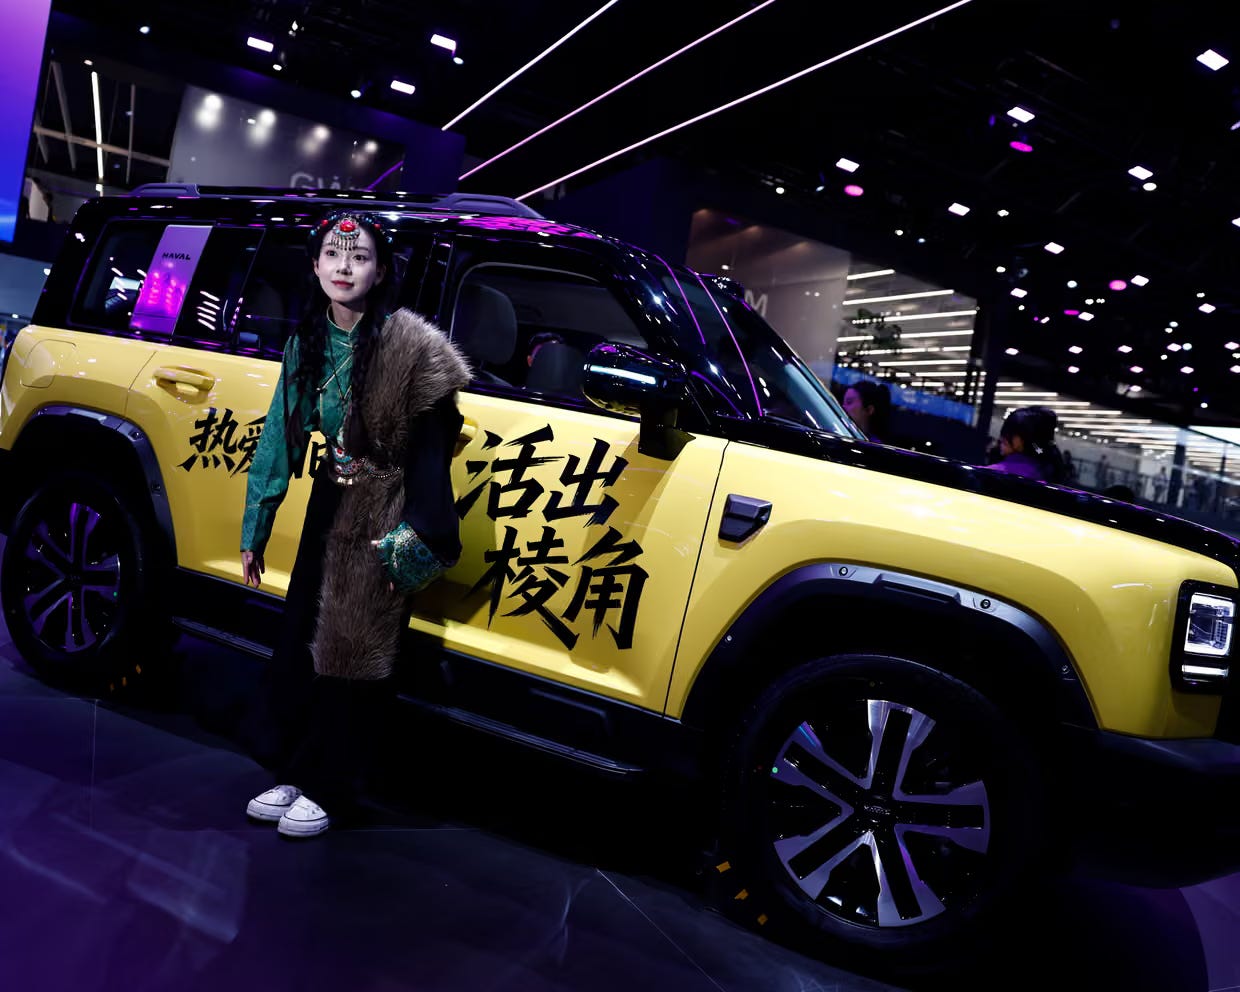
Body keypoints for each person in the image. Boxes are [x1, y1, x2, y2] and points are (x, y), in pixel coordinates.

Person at [238, 210, 470, 838]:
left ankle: (333, 785)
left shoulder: (410, 349)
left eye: (360, 256)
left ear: (381, 271)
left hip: (385, 507)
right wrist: (256, 529)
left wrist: (415, 537)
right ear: (315, 265)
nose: (345, 266)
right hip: (329, 500)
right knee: (303, 636)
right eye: (334, 255)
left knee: (354, 653)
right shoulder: (306, 343)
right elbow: (279, 439)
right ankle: (295, 768)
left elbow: (433, 452)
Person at [986, 405, 1068, 483]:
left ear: (1021, 439)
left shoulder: (993, 473)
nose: (1002, 438)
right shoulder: (1047, 471)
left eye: (1008, 432)